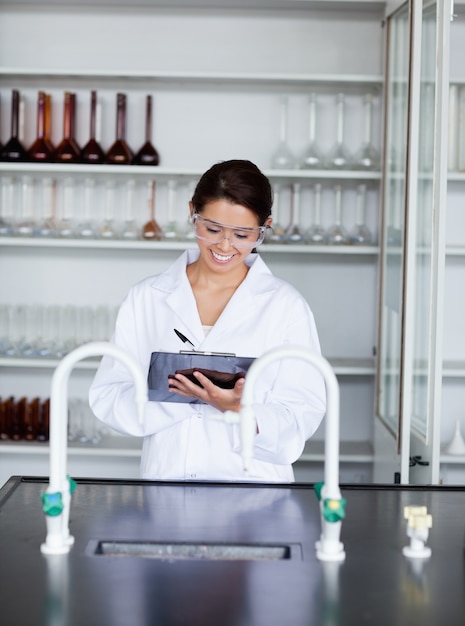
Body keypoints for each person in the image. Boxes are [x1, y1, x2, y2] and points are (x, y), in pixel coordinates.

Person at [89, 159, 326, 482]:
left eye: (243, 234)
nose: (224, 246)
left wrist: (237, 410)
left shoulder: (285, 306)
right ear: (192, 213)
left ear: (264, 226)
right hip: (167, 484)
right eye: (212, 229)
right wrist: (183, 397)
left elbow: (302, 413)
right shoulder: (146, 297)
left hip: (255, 493)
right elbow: (108, 396)